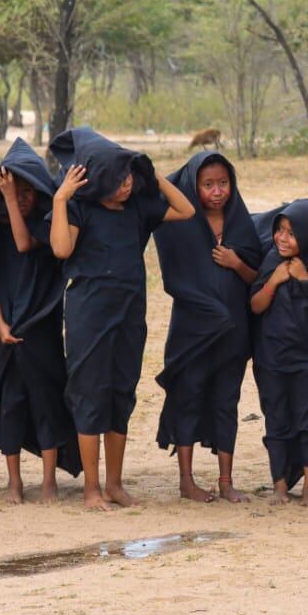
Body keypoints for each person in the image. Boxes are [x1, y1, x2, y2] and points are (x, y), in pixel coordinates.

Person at [49, 127, 195, 511]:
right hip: (88, 313)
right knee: (89, 394)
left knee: (120, 394)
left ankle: (114, 484)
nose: (126, 186)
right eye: (118, 180)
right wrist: (62, 198)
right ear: (96, 180)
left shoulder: (139, 208)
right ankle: (91, 489)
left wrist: (152, 174)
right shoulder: (81, 207)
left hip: (130, 312)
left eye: (129, 177)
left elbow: (186, 210)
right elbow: (61, 248)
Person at [154, 151, 261, 504]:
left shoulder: (241, 224)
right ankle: (186, 480)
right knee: (188, 396)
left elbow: (255, 278)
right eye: (208, 184)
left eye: (223, 183)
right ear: (194, 186)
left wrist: (235, 262)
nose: (217, 192)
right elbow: (174, 276)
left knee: (226, 401)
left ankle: (226, 480)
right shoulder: (180, 226)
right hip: (193, 332)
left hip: (233, 331)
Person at [0, 139, 81, 504]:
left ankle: (49, 481)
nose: (20, 196)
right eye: (13, 190)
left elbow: (23, 244)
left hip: (41, 329)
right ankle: (14, 483)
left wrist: (9, 197)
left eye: (27, 190)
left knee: (46, 402)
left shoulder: (44, 225)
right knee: (9, 405)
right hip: (5, 332)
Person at [250, 200, 308, 506]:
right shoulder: (271, 261)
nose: (282, 238)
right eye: (279, 230)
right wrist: (274, 281)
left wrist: (303, 278)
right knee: (276, 420)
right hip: (272, 358)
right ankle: (279, 485)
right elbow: (255, 306)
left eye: (292, 232)